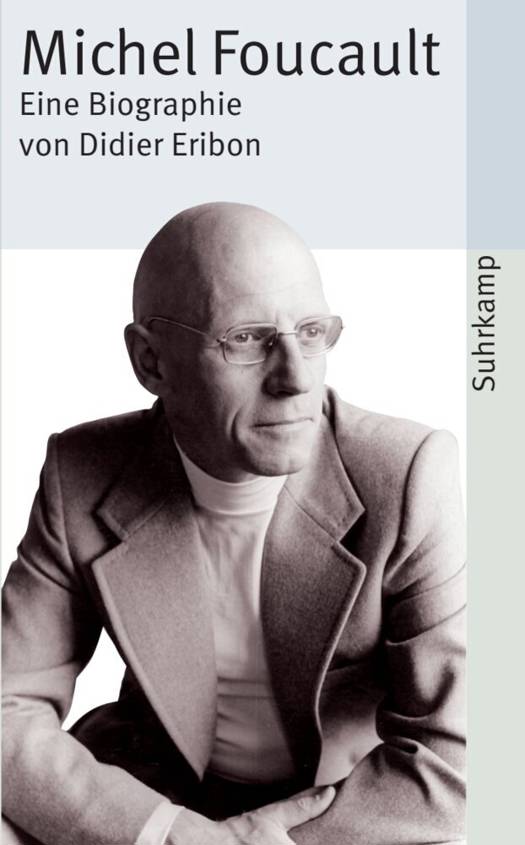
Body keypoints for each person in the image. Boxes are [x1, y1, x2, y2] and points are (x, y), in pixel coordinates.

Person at [2, 203, 466, 845]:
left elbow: (460, 754)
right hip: (151, 795)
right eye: (246, 339)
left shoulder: (408, 471)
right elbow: (8, 706)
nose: (296, 379)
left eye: (312, 331)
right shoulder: (80, 472)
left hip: (340, 812)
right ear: (151, 362)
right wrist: (168, 835)